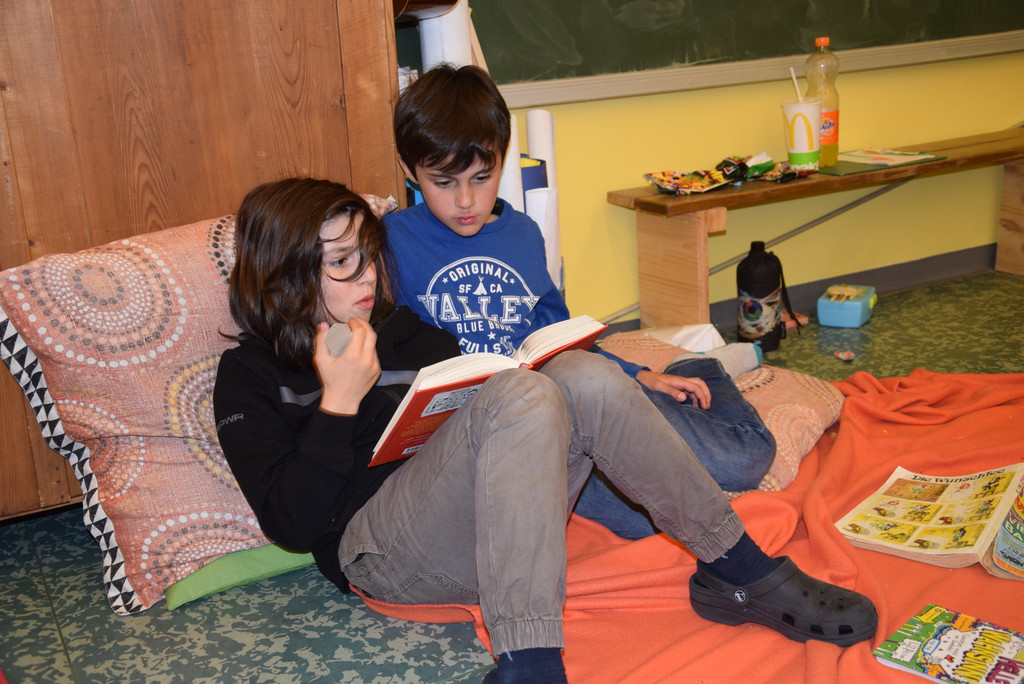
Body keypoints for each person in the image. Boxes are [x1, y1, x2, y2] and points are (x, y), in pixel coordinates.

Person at [213, 178, 877, 684]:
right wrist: (338, 404)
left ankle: (735, 568)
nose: (367, 277)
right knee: (523, 393)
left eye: (368, 256)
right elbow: (292, 524)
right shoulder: (249, 375)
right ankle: (530, 663)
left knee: (579, 372)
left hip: (499, 531)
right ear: (287, 275)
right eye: (341, 263)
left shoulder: (403, 329)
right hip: (381, 554)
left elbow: (487, 394)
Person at [384, 64, 774, 539]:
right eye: (444, 183)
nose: (466, 200)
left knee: (745, 459)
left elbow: (560, 343)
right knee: (647, 524)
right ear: (409, 169)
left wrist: (640, 376)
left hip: (568, 412)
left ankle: (703, 367)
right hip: (495, 444)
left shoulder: (523, 235)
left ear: (503, 159)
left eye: (482, 178)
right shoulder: (391, 242)